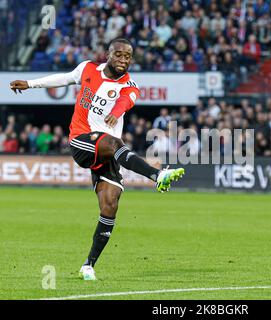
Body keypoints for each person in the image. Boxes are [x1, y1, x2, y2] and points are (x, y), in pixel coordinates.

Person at [9, 38, 185, 281]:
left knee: (110, 204)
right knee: (114, 143)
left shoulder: (130, 85)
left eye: (128, 56)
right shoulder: (88, 68)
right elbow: (63, 78)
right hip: (82, 139)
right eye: (119, 55)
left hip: (108, 149)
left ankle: (88, 265)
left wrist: (115, 112)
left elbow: (126, 101)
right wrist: (29, 84)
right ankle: (157, 175)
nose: (124, 60)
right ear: (108, 54)